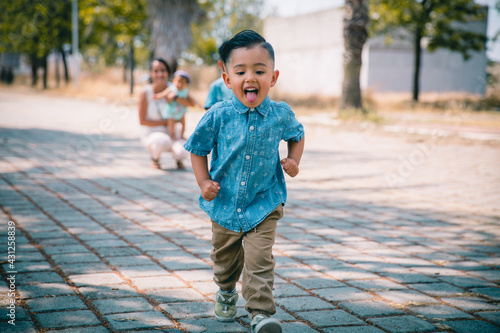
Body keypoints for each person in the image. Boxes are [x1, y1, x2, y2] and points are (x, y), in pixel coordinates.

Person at [184, 30, 305, 333]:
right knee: (225, 262)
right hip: (224, 203)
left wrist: (293, 160)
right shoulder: (218, 115)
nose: (250, 78)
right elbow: (197, 149)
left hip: (264, 203)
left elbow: (297, 135)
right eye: (241, 71)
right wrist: (203, 182)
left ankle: (261, 314)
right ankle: (225, 292)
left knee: (259, 261)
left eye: (259, 71)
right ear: (227, 79)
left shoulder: (280, 114)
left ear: (273, 77)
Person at [138, 58, 189, 169]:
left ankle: (178, 159)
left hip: (172, 132)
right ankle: (155, 159)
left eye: (163, 70)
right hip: (152, 133)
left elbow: (188, 103)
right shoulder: (145, 92)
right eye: (156, 71)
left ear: (168, 73)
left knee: (184, 149)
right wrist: (167, 121)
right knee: (162, 141)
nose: (160, 74)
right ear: (150, 74)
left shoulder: (175, 88)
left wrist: (176, 98)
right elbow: (142, 121)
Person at [154, 69, 202, 140]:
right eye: (178, 81)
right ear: (174, 81)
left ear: (186, 84)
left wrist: (199, 105)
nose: (180, 84)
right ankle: (173, 135)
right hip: (172, 112)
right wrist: (157, 96)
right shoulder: (171, 89)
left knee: (183, 123)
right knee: (171, 123)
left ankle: (182, 135)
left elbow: (192, 99)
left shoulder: (185, 91)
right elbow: (163, 94)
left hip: (181, 112)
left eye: (183, 83)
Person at [204, 42, 234, 110]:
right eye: (229, 62)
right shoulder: (215, 86)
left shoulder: (244, 85)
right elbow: (209, 109)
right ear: (220, 64)